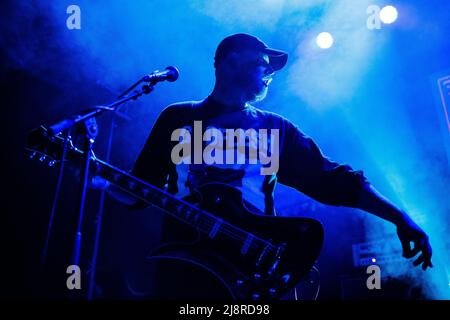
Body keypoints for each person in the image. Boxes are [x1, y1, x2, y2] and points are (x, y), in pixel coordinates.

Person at [94, 33, 433, 298]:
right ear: (229, 63)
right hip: (183, 265)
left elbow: (333, 180)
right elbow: (139, 192)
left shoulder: (273, 129)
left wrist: (399, 218)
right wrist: (97, 178)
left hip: (250, 268)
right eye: (262, 64)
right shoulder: (177, 119)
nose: (270, 73)